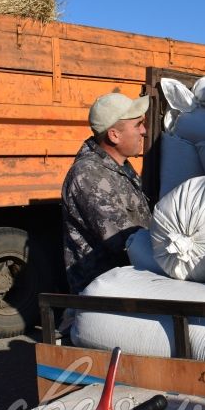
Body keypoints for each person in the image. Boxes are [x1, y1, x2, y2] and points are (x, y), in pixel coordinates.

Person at [61, 92, 152, 293]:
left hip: (128, 283)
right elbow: (125, 242)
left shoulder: (120, 167)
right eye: (138, 124)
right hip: (103, 292)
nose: (144, 131)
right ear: (114, 135)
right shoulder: (88, 175)